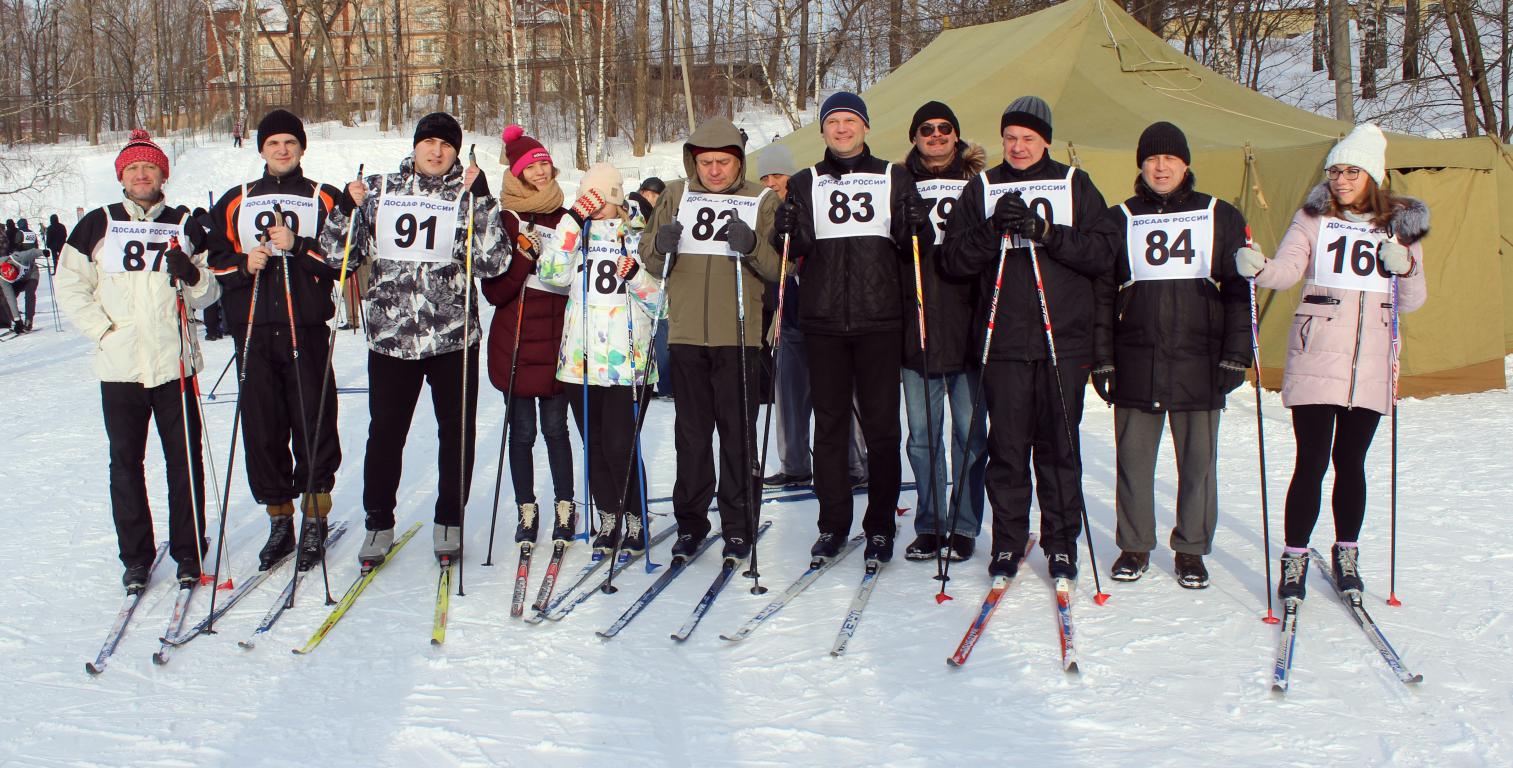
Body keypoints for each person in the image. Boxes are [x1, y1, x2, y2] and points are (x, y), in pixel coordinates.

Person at [1235, 123, 1428, 599]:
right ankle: (1295, 557)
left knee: (1352, 462)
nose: (1341, 179)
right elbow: (1286, 271)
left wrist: (1405, 266)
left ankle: (1347, 551)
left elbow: (1412, 301)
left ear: (1373, 176)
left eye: (1352, 171)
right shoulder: (1313, 218)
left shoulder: (1400, 225)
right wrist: (1259, 268)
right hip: (1318, 352)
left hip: (1372, 362)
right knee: (1313, 460)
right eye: (1335, 170)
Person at [319, 112, 509, 566]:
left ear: (456, 151)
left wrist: (482, 201)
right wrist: (346, 207)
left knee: (455, 434)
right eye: (430, 142)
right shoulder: (382, 190)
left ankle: (449, 518)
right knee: (385, 434)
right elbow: (336, 256)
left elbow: (494, 263)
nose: (437, 151)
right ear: (416, 145)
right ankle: (378, 522)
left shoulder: (466, 197)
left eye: (446, 144)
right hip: (392, 338)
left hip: (452, 337)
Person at [940, 95, 1111, 581]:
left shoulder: (1075, 184)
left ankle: (1061, 542)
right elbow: (953, 260)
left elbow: (1102, 252)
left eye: (1028, 139)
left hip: (1063, 340)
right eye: (1010, 138)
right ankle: (1008, 541)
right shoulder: (984, 187)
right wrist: (992, 231)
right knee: (1007, 450)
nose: (1017, 147)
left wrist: (1045, 231)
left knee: (1060, 448)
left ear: (1046, 141)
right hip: (1005, 342)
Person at [772, 91, 934, 564]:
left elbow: (911, 245)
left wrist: (914, 224)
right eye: (833, 122)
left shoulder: (893, 175)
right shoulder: (806, 181)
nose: (841, 129)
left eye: (850, 121)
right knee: (830, 427)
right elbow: (796, 246)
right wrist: (783, 226)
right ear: (822, 130)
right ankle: (833, 524)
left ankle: (880, 525)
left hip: (879, 318)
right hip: (823, 322)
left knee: (882, 429)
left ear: (865, 127)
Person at [55, 129, 221, 589]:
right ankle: (136, 555)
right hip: (121, 365)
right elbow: (69, 284)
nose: (142, 174)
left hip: (175, 362)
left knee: (183, 462)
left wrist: (192, 275)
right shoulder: (97, 223)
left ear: (162, 173)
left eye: (149, 167)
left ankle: (189, 550)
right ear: (122, 177)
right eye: (133, 169)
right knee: (125, 462)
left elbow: (209, 292)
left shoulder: (184, 221)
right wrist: (103, 330)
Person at [1091, 122, 1252, 588]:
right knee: (1133, 461)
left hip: (1200, 358)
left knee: (1199, 462)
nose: (1161, 167)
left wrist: (1235, 354)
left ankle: (1191, 549)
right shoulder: (1119, 216)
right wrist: (1102, 357)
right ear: (1140, 165)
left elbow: (1241, 289)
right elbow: (1101, 292)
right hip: (1136, 355)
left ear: (1186, 164)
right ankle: (1134, 545)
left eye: (1170, 159)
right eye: (1152, 159)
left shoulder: (1219, 214)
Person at [205, 109, 349, 571]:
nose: (282, 150)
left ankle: (314, 516)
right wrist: (243, 263)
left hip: (304, 328)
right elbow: (215, 259)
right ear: (261, 149)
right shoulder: (237, 200)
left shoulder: (323, 197)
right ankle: (279, 518)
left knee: (313, 421)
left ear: (302, 148)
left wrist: (300, 244)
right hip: (254, 331)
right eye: (273, 144)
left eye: (290, 142)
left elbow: (343, 258)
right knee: (263, 428)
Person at [643, 118, 782, 562]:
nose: (715, 171)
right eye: (706, 162)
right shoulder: (675, 194)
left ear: (738, 161)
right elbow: (648, 258)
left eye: (724, 162)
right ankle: (691, 523)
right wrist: (662, 244)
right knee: (692, 435)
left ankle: (739, 524)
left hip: (738, 336)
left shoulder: (761, 200)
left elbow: (783, 267)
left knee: (737, 435)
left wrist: (754, 247)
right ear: (693, 161)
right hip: (685, 335)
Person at [538, 163, 664, 555]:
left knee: (621, 443)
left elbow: (662, 304)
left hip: (627, 362)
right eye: (586, 199)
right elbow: (551, 273)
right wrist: (571, 223)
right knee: (593, 442)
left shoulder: (639, 234)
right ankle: (607, 515)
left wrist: (637, 278)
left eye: (600, 199)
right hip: (581, 361)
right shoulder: (576, 234)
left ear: (614, 197)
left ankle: (634, 517)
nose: (593, 206)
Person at [896, 101, 989, 563]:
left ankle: (965, 524)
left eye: (944, 129)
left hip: (970, 325)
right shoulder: (897, 183)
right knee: (922, 437)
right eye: (926, 129)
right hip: (917, 326)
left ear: (957, 136)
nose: (935, 136)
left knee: (970, 435)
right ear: (914, 137)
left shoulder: (979, 184)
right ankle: (931, 523)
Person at [481, 124, 578, 549]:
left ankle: (565, 505)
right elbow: (495, 291)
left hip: (556, 343)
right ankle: (526, 508)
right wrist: (523, 255)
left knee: (557, 431)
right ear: (516, 173)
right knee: (521, 434)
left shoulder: (568, 215)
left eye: (544, 164)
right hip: (516, 344)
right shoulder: (503, 219)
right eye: (531, 166)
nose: (540, 172)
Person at [2, 219, 43, 332]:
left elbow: (14, 246)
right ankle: (26, 321)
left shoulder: (19, 234)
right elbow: (36, 246)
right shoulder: (31, 233)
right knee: (29, 296)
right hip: (26, 264)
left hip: (22, 264)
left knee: (13, 296)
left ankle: (17, 320)